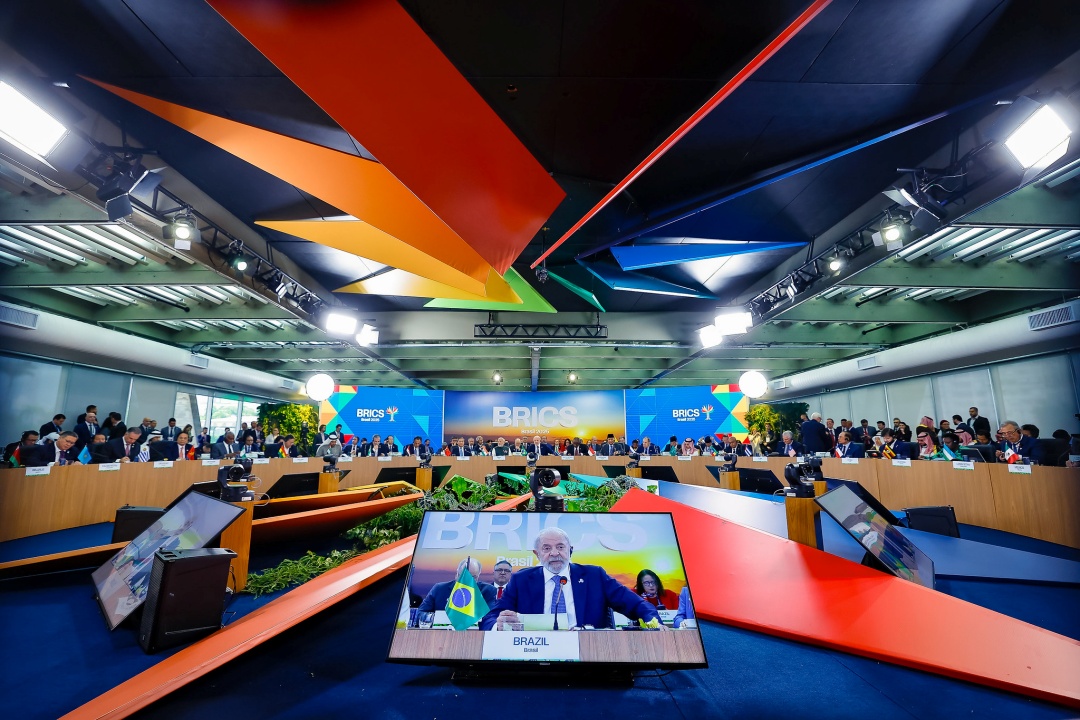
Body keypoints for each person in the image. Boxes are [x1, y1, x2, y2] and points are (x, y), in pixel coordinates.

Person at [480, 527, 660, 631]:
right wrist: (499, 625)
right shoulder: (521, 580)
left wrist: (654, 623)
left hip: (588, 658)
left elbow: (636, 604)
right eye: (546, 548)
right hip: (535, 655)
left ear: (570, 550)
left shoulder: (594, 576)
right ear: (537, 554)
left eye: (560, 547)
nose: (554, 553)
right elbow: (492, 617)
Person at [417, 558, 497, 613]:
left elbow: (492, 617)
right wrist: (438, 620)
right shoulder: (439, 589)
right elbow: (421, 613)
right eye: (463, 575)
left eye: (473, 577)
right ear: (457, 574)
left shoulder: (488, 591)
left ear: (478, 576)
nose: (467, 580)